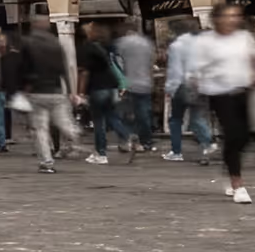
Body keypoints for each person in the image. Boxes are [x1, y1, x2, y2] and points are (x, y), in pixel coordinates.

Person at [189, 3, 255, 204]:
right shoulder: (206, 41)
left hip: (243, 90)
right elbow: (196, 67)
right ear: (217, 19)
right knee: (233, 133)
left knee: (245, 137)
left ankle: (229, 165)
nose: (233, 20)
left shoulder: (243, 38)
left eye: (236, 16)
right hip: (219, 93)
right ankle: (238, 184)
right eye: (228, 16)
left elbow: (254, 58)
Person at [18, 17, 75, 173]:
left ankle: (46, 162)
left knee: (40, 129)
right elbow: (65, 70)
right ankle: (73, 134)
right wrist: (70, 91)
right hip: (56, 90)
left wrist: (22, 88)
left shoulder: (27, 43)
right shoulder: (56, 44)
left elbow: (22, 67)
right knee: (63, 122)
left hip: (37, 91)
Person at [75, 21, 129, 164]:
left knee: (99, 121)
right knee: (111, 115)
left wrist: (80, 93)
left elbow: (84, 72)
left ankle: (101, 153)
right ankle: (126, 136)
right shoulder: (106, 47)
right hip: (111, 85)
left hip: (98, 87)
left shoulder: (87, 48)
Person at [161, 18, 213, 163]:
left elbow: (175, 70)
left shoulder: (177, 46)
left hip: (183, 85)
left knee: (176, 119)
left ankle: (176, 151)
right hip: (202, 84)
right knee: (198, 117)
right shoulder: (204, 43)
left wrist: (170, 88)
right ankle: (205, 147)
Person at [111, 20, 156, 157]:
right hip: (145, 83)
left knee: (125, 115)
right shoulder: (147, 43)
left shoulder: (120, 44)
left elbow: (118, 65)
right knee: (144, 115)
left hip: (127, 84)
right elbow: (152, 62)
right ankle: (146, 142)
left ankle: (127, 141)